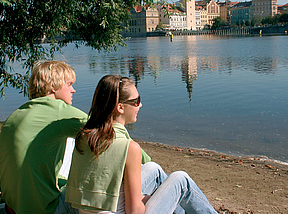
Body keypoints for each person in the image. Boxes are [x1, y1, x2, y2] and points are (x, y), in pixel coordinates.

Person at [66, 75, 219, 214]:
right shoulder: (129, 148)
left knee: (153, 168)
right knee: (181, 180)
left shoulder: (83, 138)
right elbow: (134, 211)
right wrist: (151, 199)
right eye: (136, 101)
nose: (140, 105)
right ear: (120, 107)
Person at [0, 60, 89, 214]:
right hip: (45, 210)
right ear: (53, 87)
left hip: (11, 209)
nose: (73, 90)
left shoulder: (17, 113)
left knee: (67, 137)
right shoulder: (58, 110)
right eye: (69, 84)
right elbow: (108, 133)